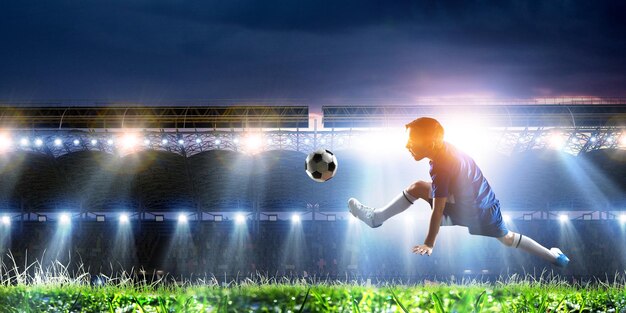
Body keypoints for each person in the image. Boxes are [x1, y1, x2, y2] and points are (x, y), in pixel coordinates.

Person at [348, 117, 569, 268]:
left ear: (432, 143)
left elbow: (438, 208)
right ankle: (555, 258)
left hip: (468, 209)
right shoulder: (447, 150)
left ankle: (376, 218)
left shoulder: (441, 165)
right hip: (486, 207)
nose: (407, 146)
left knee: (417, 187)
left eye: (412, 141)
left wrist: (429, 242)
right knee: (508, 238)